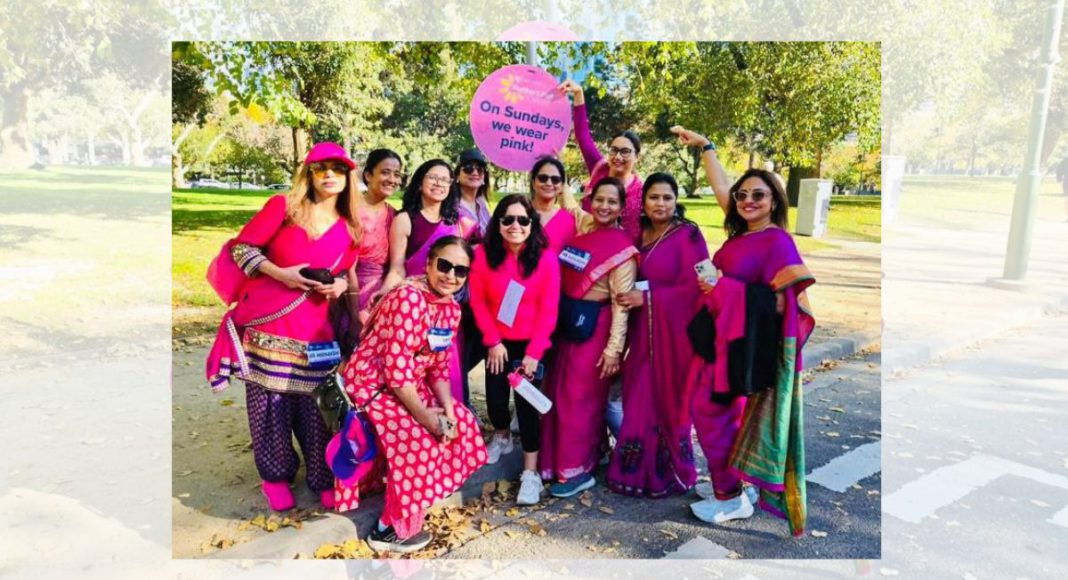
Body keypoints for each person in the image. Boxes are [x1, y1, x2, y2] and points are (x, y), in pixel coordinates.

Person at [674, 126, 815, 536]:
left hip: (738, 351)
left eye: (758, 195)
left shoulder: (776, 244)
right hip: (717, 342)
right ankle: (732, 484)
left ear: (775, 201)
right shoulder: (742, 235)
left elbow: (782, 305)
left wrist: (725, 289)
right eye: (742, 195)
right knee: (719, 418)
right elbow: (723, 188)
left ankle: (730, 498)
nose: (747, 201)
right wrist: (707, 148)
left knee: (711, 415)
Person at [205, 142, 361, 511]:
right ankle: (274, 476)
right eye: (321, 168)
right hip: (270, 322)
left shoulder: (350, 227)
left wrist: (338, 285)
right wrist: (281, 274)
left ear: (347, 177)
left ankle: (323, 476)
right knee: (270, 405)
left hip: (317, 331)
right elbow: (242, 249)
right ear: (308, 172)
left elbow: (344, 273)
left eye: (338, 170)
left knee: (317, 408)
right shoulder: (284, 208)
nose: (329, 175)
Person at [336, 236, 488, 553]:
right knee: (417, 437)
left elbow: (439, 367)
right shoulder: (409, 299)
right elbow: (395, 371)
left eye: (460, 271)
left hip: (407, 384)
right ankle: (390, 529)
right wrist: (427, 418)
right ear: (429, 263)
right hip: (371, 383)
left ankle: (409, 505)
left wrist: (446, 410)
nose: (451, 276)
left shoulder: (450, 309)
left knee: (463, 420)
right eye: (444, 266)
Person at [605, 172, 707, 498]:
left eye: (667, 197)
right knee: (638, 397)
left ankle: (672, 472)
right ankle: (635, 471)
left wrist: (648, 298)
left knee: (669, 402)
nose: (661, 203)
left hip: (675, 338)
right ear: (643, 202)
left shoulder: (689, 235)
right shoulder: (639, 234)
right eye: (654, 198)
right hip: (642, 332)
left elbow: (700, 285)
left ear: (676, 201)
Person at [539, 177, 638, 497]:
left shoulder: (622, 248)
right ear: (590, 201)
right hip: (568, 326)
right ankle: (559, 462)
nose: (604, 206)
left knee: (578, 402)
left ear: (621, 207)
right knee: (557, 393)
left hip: (596, 330)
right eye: (599, 200)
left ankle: (577, 470)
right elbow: (567, 201)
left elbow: (621, 305)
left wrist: (613, 350)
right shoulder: (583, 231)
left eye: (612, 202)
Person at [468, 194, 561, 506]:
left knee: (527, 407)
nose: (515, 225)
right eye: (507, 219)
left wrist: (535, 354)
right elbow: (478, 301)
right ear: (498, 223)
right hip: (497, 342)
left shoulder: (545, 259)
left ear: (532, 224)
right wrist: (493, 341)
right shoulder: (484, 255)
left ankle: (530, 474)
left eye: (522, 219)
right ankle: (503, 437)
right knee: (495, 401)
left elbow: (549, 310)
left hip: (531, 345)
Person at [376, 159, 475, 404]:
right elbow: (397, 268)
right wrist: (378, 305)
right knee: (411, 375)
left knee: (445, 374)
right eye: (433, 177)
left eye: (445, 179)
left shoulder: (458, 223)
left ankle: (449, 426)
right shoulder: (405, 220)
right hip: (412, 312)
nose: (439, 183)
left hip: (445, 313)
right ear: (420, 182)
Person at [335, 148, 402, 356]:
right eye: (385, 172)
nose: (392, 179)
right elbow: (347, 266)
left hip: (382, 294)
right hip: (350, 293)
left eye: (397, 174)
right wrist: (355, 317)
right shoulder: (349, 210)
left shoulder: (394, 215)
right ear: (368, 175)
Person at [558, 79, 645, 241]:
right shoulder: (599, 168)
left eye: (625, 152)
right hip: (584, 245)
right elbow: (583, 136)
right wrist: (578, 94)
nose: (618, 157)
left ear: (637, 157)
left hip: (619, 258)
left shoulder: (643, 192)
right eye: (614, 150)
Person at [528, 156, 578, 254]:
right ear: (533, 183)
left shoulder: (571, 221)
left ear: (562, 186)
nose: (549, 183)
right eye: (543, 178)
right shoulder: (518, 215)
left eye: (555, 179)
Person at [453, 148, 493, 243]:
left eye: (479, 169)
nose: (475, 173)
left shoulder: (482, 203)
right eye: (468, 169)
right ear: (458, 175)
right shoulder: (451, 205)